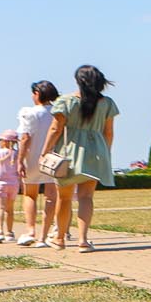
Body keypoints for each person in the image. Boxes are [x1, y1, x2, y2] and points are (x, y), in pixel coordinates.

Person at [41, 65, 118, 252]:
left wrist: (45, 151)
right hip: (96, 152)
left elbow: (55, 129)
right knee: (86, 197)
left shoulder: (66, 101)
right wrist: (106, 152)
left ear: (78, 80)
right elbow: (108, 132)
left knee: (64, 198)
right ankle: (83, 240)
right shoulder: (107, 103)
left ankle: (59, 238)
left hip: (69, 152)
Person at [15, 79, 59, 247]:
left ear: (37, 94)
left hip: (33, 157)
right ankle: (45, 234)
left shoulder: (29, 113)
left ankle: (30, 230)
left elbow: (25, 138)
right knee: (51, 197)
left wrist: (20, 160)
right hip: (53, 157)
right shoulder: (58, 112)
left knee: (30, 194)